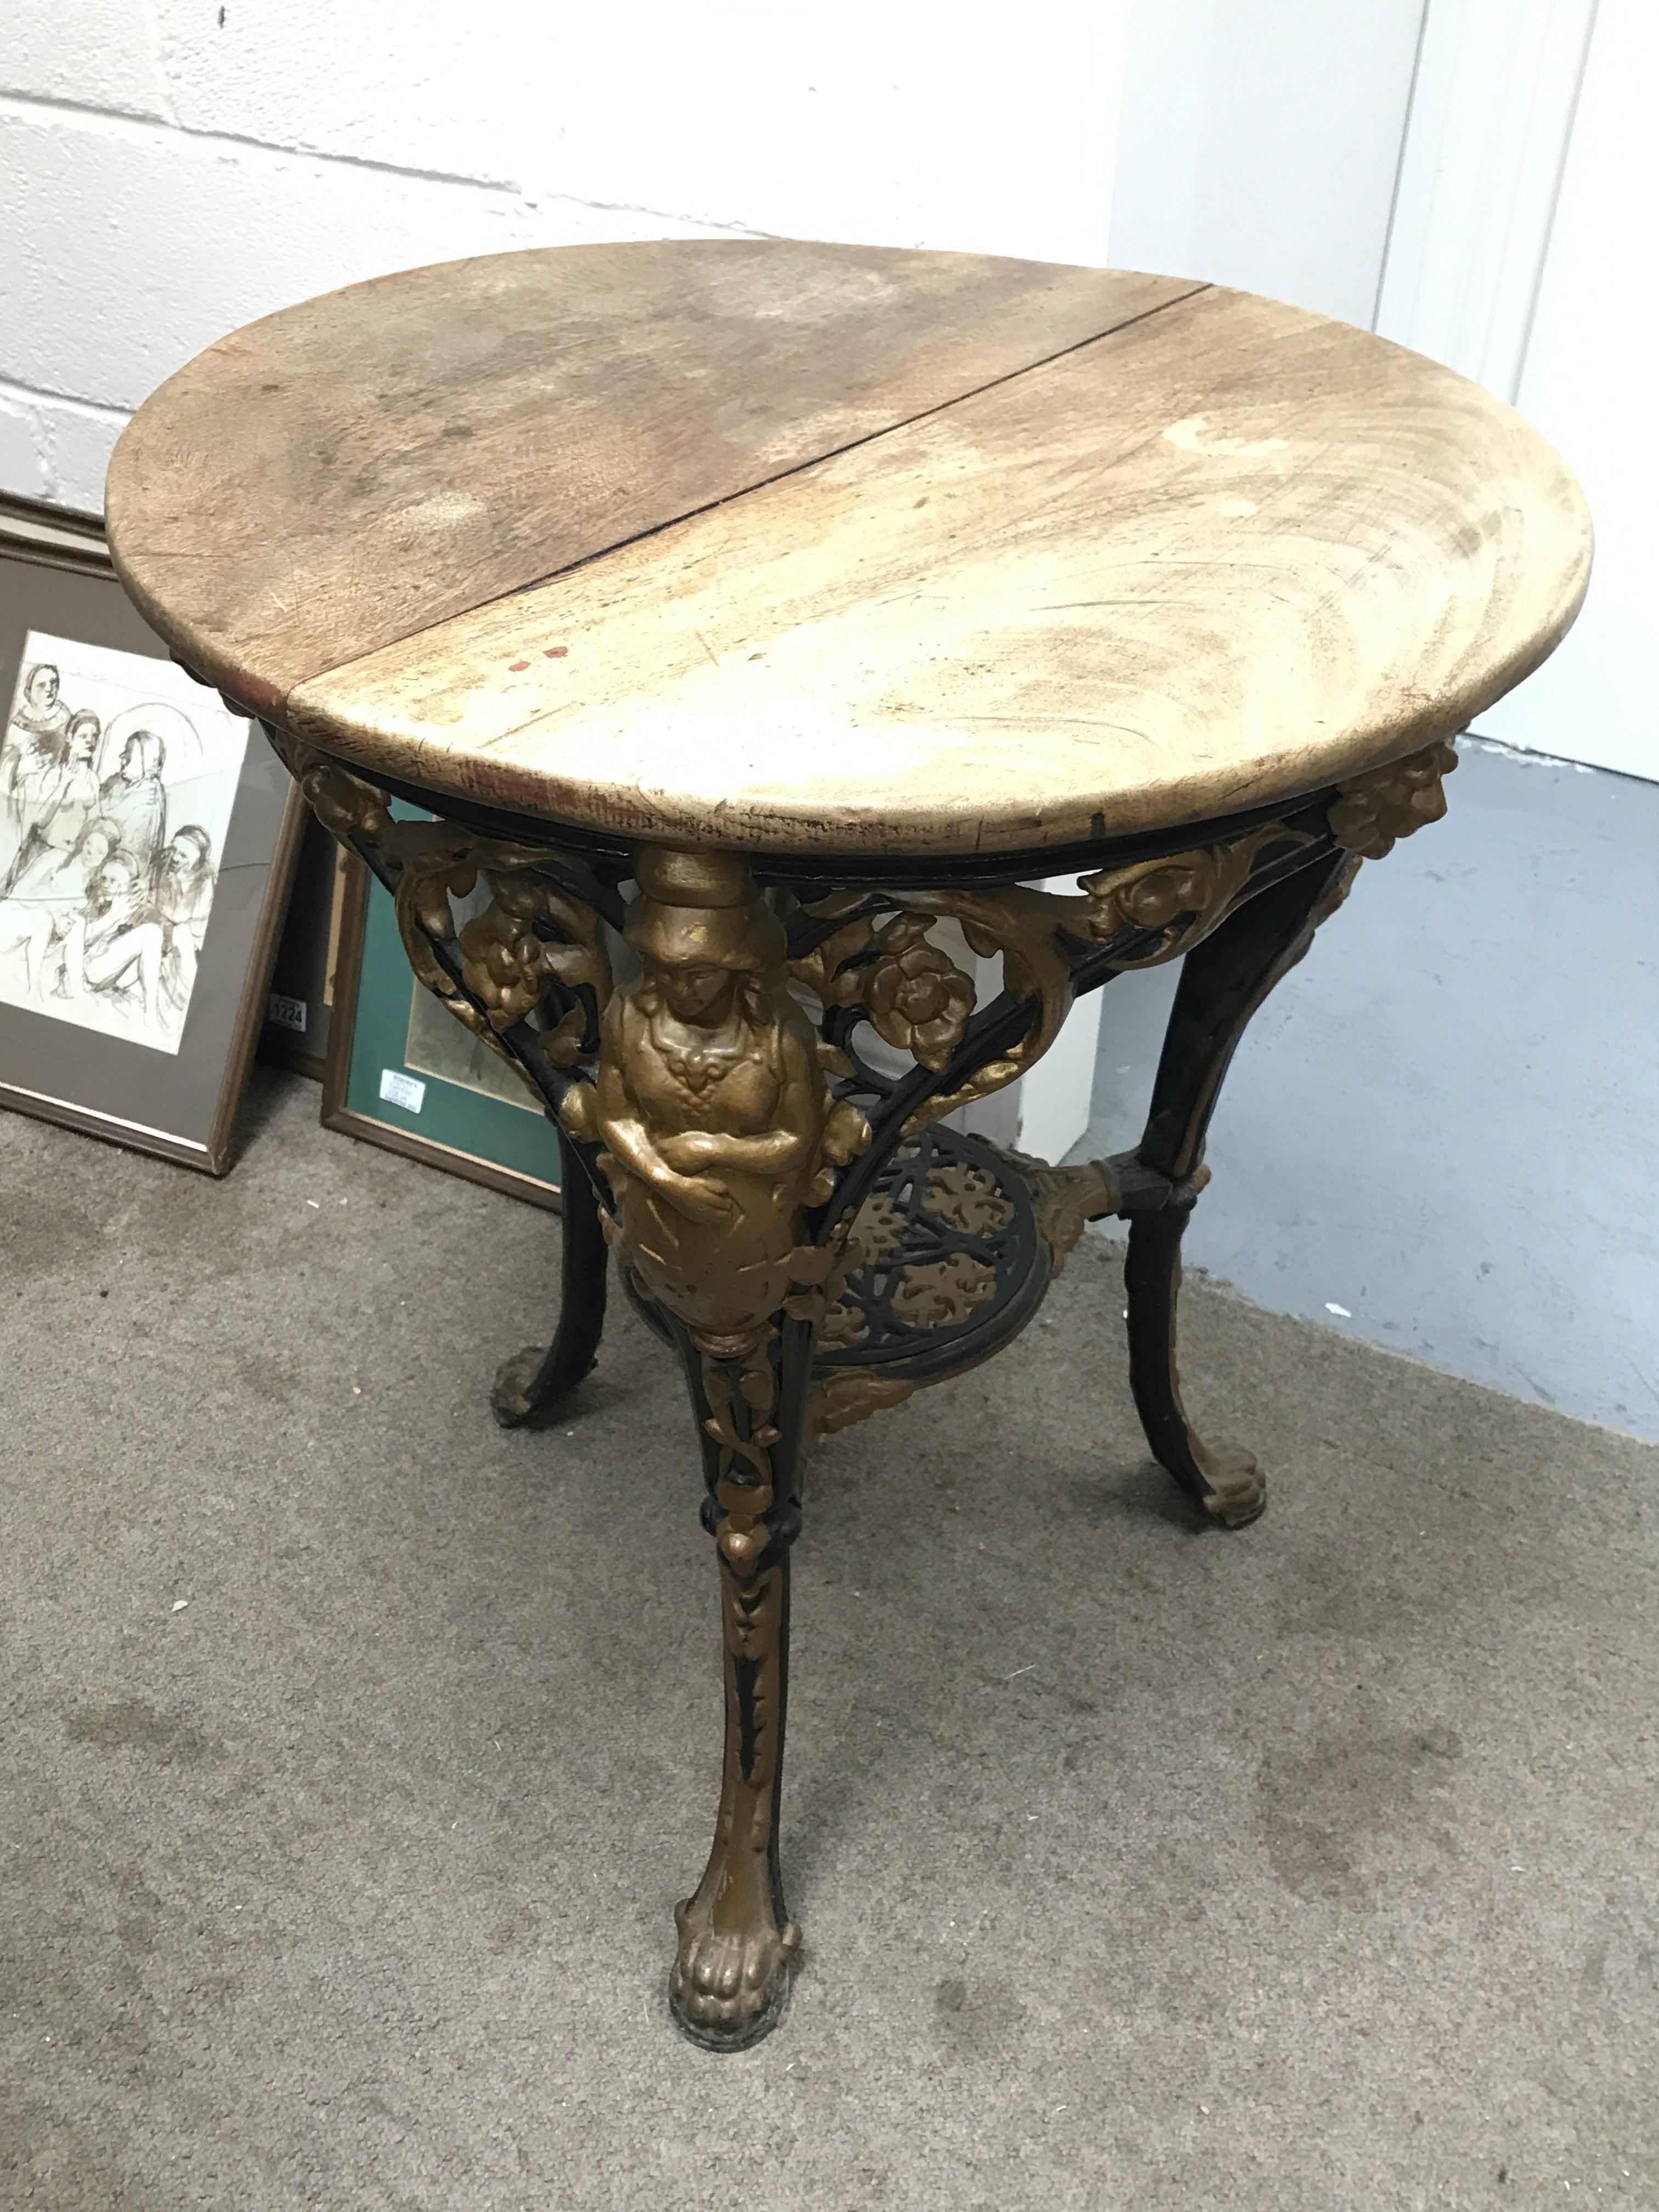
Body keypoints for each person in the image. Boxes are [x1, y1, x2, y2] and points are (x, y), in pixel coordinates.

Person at [1, 710, 102, 899]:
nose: (90, 741)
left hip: (67, 859)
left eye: (94, 736)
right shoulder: (54, 774)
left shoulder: (93, 781)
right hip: (39, 852)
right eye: (83, 736)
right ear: (70, 739)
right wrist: (65, 782)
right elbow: (40, 819)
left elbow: (92, 823)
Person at [151, 824, 215, 1016]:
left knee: (182, 935)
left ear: (199, 860)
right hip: (165, 929)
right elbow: (155, 900)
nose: (176, 858)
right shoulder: (165, 864)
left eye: (184, 856)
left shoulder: (205, 880)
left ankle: (198, 1001)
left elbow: (180, 916)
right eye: (174, 851)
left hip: (195, 942)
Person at [98, 728, 168, 871]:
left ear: (146, 760)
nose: (121, 757)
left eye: (129, 754)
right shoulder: (115, 781)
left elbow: (138, 849)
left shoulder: (151, 797)